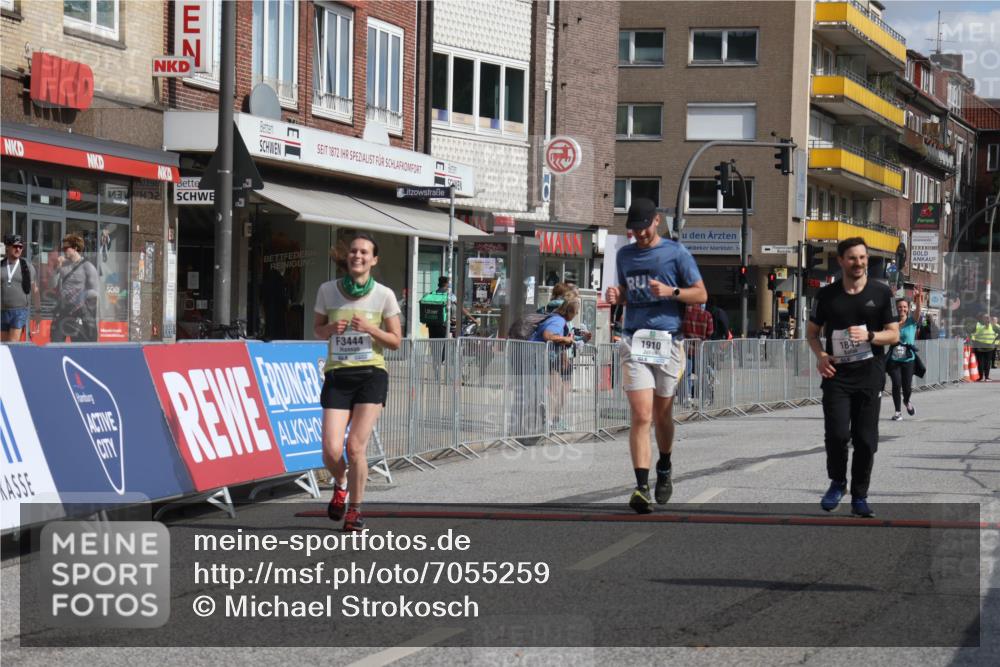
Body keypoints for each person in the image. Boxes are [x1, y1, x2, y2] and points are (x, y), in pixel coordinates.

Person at [604, 198, 707, 514]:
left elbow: (701, 293)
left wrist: (671, 292)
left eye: (644, 228)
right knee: (642, 415)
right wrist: (616, 295)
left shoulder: (676, 253)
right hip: (634, 340)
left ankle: (664, 465)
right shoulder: (624, 254)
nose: (640, 235)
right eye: (634, 230)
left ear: (657, 221)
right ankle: (640, 487)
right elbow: (625, 290)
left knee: (662, 414)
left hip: (668, 341)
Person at [313, 232, 402, 532]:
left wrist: (370, 329)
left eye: (364, 252)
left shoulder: (384, 295)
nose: (358, 256)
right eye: (353, 251)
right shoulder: (327, 290)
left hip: (371, 375)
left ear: (374, 260)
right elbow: (317, 330)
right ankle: (341, 482)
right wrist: (330, 328)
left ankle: (355, 511)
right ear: (347, 256)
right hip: (338, 375)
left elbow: (395, 342)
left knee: (355, 448)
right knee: (330, 450)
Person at [807, 237, 899, 518]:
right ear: (841, 261)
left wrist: (870, 335)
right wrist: (821, 356)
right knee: (836, 435)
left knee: (865, 439)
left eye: (862, 258)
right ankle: (838, 482)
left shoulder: (882, 294)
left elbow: (893, 334)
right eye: (852, 258)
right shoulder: (827, 295)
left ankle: (860, 495)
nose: (858, 263)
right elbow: (812, 333)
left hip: (870, 375)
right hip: (837, 376)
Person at [531, 297, 580, 430]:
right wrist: (565, 338)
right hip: (540, 358)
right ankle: (548, 422)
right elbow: (548, 335)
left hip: (544, 358)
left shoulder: (556, 318)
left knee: (556, 389)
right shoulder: (558, 320)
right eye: (575, 313)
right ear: (569, 312)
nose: (575, 316)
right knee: (555, 390)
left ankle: (550, 421)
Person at [53, 234, 99, 342]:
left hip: (79, 313)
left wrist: (81, 297)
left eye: (66, 248)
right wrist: (57, 268)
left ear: (75, 248)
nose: (63, 251)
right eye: (62, 248)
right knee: (55, 345)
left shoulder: (87, 266)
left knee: (79, 347)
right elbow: (52, 285)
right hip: (63, 311)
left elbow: (95, 292)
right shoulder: (63, 266)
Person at [886, 292, 922, 420]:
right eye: (899, 307)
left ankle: (907, 401)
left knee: (906, 387)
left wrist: (918, 299)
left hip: (908, 359)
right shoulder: (892, 323)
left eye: (904, 307)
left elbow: (918, 311)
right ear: (896, 308)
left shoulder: (912, 321)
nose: (902, 309)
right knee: (896, 384)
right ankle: (897, 412)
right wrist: (890, 294)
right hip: (894, 359)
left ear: (908, 308)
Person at [1, 234, 40, 343]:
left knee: (12, 343)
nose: (18, 249)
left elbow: (35, 290)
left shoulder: (27, 266)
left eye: (20, 247)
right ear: (8, 247)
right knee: (3, 346)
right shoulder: (1, 266)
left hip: (19, 311)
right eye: (15, 246)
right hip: (2, 311)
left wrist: (38, 311)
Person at [969, 312, 995, 382]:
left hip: (988, 346)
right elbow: (971, 334)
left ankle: (985, 377)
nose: (987, 319)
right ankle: (982, 377)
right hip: (980, 346)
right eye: (985, 317)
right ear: (982, 318)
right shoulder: (979, 325)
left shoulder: (990, 324)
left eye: (988, 317)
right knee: (981, 362)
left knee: (986, 362)